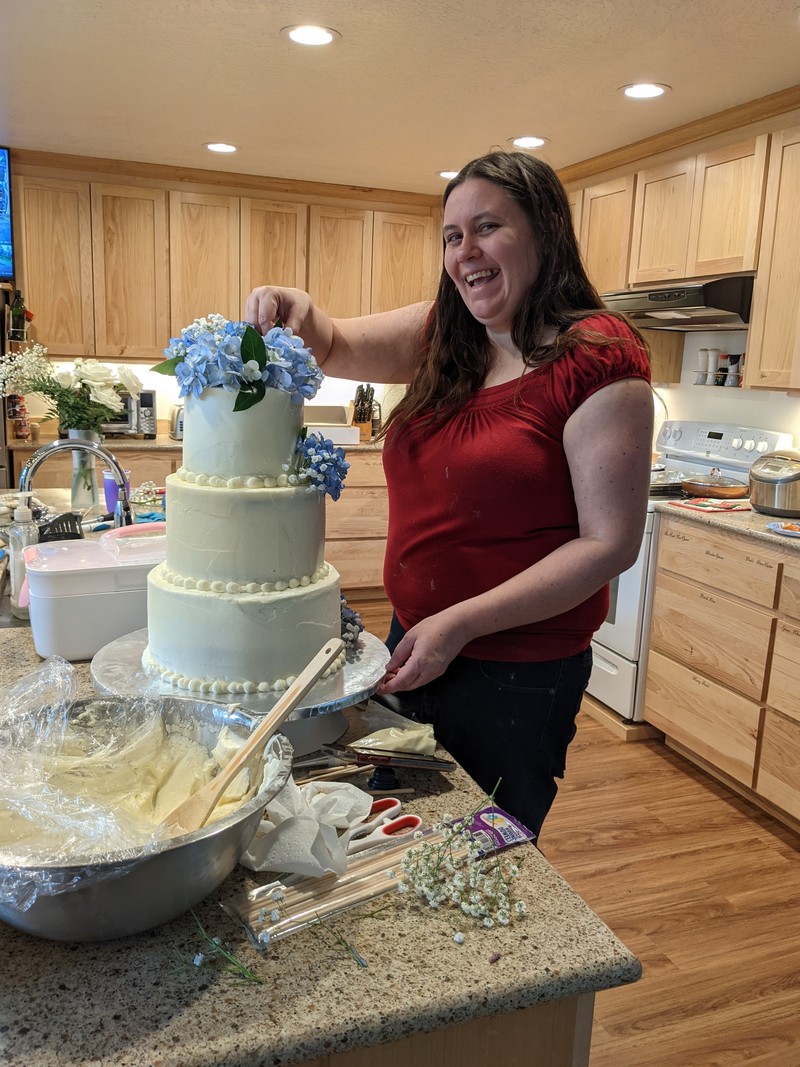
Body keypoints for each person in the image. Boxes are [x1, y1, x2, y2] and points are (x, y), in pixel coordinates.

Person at [245, 150, 653, 839]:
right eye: (452, 236)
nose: (466, 253)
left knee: (478, 851)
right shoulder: (448, 332)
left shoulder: (596, 359)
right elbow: (335, 342)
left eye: (488, 227)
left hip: (515, 673)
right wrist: (299, 307)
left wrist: (460, 622)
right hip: (419, 641)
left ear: (545, 230)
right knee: (408, 834)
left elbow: (608, 544)